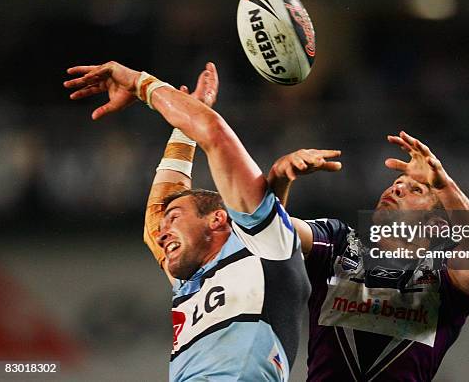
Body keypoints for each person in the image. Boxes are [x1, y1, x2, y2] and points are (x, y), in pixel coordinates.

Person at [64, 61, 311, 381]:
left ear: (218, 220)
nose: (162, 232)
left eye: (175, 218)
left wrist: (140, 82)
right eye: (165, 225)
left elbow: (215, 134)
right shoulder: (189, 282)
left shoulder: (262, 250)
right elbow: (156, 214)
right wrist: (184, 128)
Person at [267, 134, 469, 381]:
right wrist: (279, 179)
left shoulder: (445, 278)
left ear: (436, 226)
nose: (396, 188)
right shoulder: (338, 243)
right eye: (396, 183)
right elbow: (270, 234)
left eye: (416, 189)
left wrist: (445, 187)